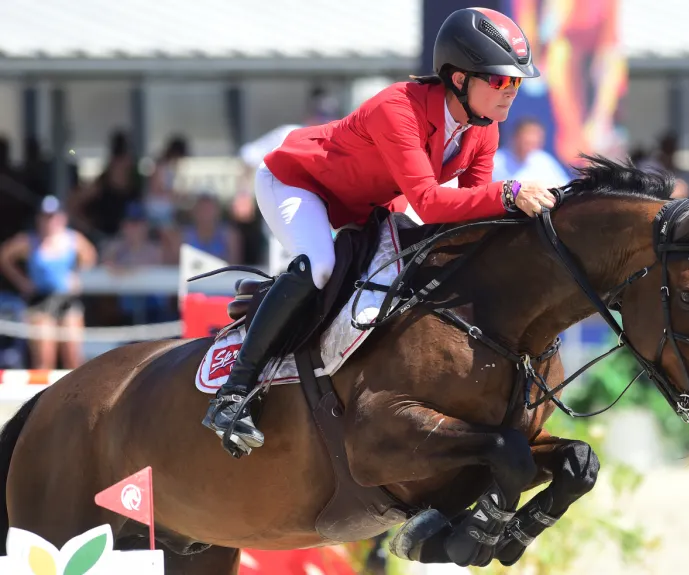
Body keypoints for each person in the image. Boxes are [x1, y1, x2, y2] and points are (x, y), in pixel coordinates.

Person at [202, 7, 558, 456]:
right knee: (320, 265)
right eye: (502, 81)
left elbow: (470, 216)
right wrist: (508, 192)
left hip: (366, 204)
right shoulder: (399, 108)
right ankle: (233, 393)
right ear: (461, 79)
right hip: (297, 182)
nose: (512, 93)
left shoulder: (482, 130)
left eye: (518, 83)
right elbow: (429, 203)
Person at [0, 195, 96, 370]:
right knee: (44, 361)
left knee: (74, 358)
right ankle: (44, 397)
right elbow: (4, 257)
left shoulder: (73, 239)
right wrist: (22, 281)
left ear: (61, 218)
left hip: (67, 299)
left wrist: (77, 275)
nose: (49, 221)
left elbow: (90, 256)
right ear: (39, 219)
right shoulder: (28, 241)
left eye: (52, 216)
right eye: (45, 217)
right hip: (40, 301)